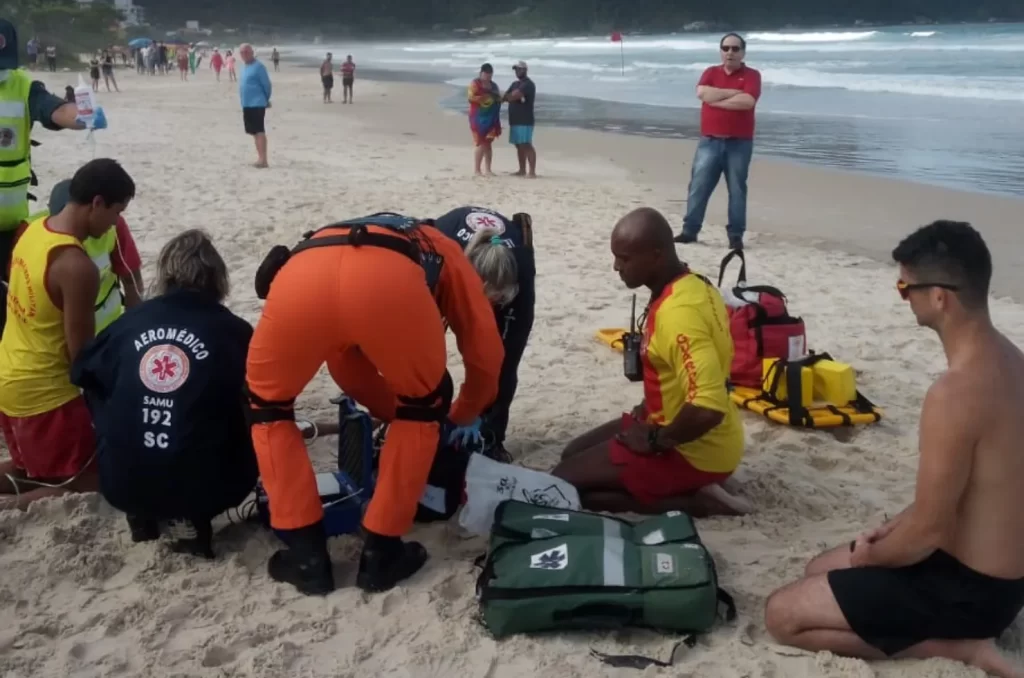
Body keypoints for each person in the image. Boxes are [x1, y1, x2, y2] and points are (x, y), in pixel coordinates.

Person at [764, 221, 1024, 678]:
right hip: (1005, 582)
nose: (903, 296)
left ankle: (962, 649)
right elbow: (969, 492)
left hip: (968, 593)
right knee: (816, 569)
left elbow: (928, 533)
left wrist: (872, 556)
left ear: (940, 297)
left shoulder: (955, 393)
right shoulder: (1012, 361)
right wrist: (890, 531)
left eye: (905, 288)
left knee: (783, 616)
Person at [246, 213, 503, 596]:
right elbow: (485, 352)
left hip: (301, 275)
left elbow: (344, 362)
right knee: (420, 411)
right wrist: (462, 412)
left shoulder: (339, 232)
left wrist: (384, 408)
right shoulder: (443, 247)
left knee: (268, 410)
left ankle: (305, 555)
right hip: (388, 285)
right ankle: (382, 552)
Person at [71, 230, 258, 559]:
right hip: (212, 487)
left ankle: (141, 508)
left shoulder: (127, 323)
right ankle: (191, 517)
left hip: (120, 484)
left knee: (102, 382)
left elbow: (81, 372)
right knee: (245, 396)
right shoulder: (234, 330)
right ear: (218, 279)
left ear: (165, 277)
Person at [552, 207, 750, 517]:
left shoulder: (678, 314)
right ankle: (690, 480)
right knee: (570, 455)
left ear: (656, 255)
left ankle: (697, 501)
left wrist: (657, 440)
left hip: (694, 446)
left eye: (625, 258)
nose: (616, 266)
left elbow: (708, 407)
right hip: (673, 422)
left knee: (565, 485)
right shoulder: (694, 282)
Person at [0, 158, 135, 509]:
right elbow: (81, 359)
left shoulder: (33, 232)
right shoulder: (76, 267)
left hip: (10, 379)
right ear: (97, 203)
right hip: (46, 395)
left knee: (29, 469)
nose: (115, 224)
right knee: (93, 484)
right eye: (116, 212)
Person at [0, 19, 109, 335]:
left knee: (14, 302)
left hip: (12, 225)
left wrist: (82, 117)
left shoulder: (22, 86)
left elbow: (53, 110)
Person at [431, 206, 535, 459]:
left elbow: (503, 358)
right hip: (451, 261)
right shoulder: (440, 251)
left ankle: (492, 440)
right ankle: (427, 423)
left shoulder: (520, 263)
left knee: (505, 360)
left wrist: (478, 410)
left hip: (505, 267)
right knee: (427, 352)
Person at [676, 33, 761, 252]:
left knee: (737, 190)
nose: (730, 52)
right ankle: (690, 231)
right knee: (698, 187)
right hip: (710, 142)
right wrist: (732, 94)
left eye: (735, 48)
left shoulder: (752, 75)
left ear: (743, 52)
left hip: (739, 144)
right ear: (720, 51)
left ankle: (735, 236)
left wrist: (716, 100)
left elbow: (747, 101)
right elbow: (702, 93)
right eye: (726, 48)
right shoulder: (710, 72)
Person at [38, 179, 144, 331]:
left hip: (105, 331)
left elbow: (131, 278)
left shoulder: (112, 226)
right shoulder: (31, 230)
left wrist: (134, 326)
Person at [238, 43, 271, 168]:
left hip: (257, 103)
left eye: (247, 52)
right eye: (242, 52)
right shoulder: (244, 67)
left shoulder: (259, 67)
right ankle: (260, 158)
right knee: (253, 132)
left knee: (259, 131)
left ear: (252, 52)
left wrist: (265, 99)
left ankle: (263, 160)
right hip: (246, 103)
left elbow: (267, 85)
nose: (245, 54)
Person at [503, 61, 537, 178]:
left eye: (519, 69)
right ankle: (522, 170)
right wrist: (511, 96)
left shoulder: (528, 84)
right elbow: (505, 97)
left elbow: (513, 96)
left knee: (526, 144)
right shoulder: (514, 84)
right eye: (516, 69)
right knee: (518, 145)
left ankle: (532, 172)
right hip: (514, 119)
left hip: (525, 120)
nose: (517, 72)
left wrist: (512, 96)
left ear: (525, 70)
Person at [467, 63, 501, 177]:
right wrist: (484, 98)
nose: (488, 77)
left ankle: (488, 169)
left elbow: (498, 99)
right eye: (486, 74)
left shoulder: (494, 86)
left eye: (490, 75)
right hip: (477, 117)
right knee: (481, 142)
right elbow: (471, 98)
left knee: (488, 142)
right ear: (481, 73)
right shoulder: (475, 84)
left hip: (491, 118)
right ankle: (477, 170)